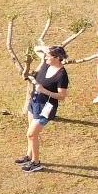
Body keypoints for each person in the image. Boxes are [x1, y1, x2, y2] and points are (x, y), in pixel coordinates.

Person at [19, 44, 67, 172]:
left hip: (46, 107)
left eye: (48, 56)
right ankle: (29, 156)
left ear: (57, 58)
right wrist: (46, 49)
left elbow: (62, 96)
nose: (45, 58)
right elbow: (36, 48)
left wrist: (43, 90)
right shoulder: (47, 64)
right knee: (31, 133)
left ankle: (36, 163)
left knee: (31, 134)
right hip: (35, 102)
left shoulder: (61, 75)